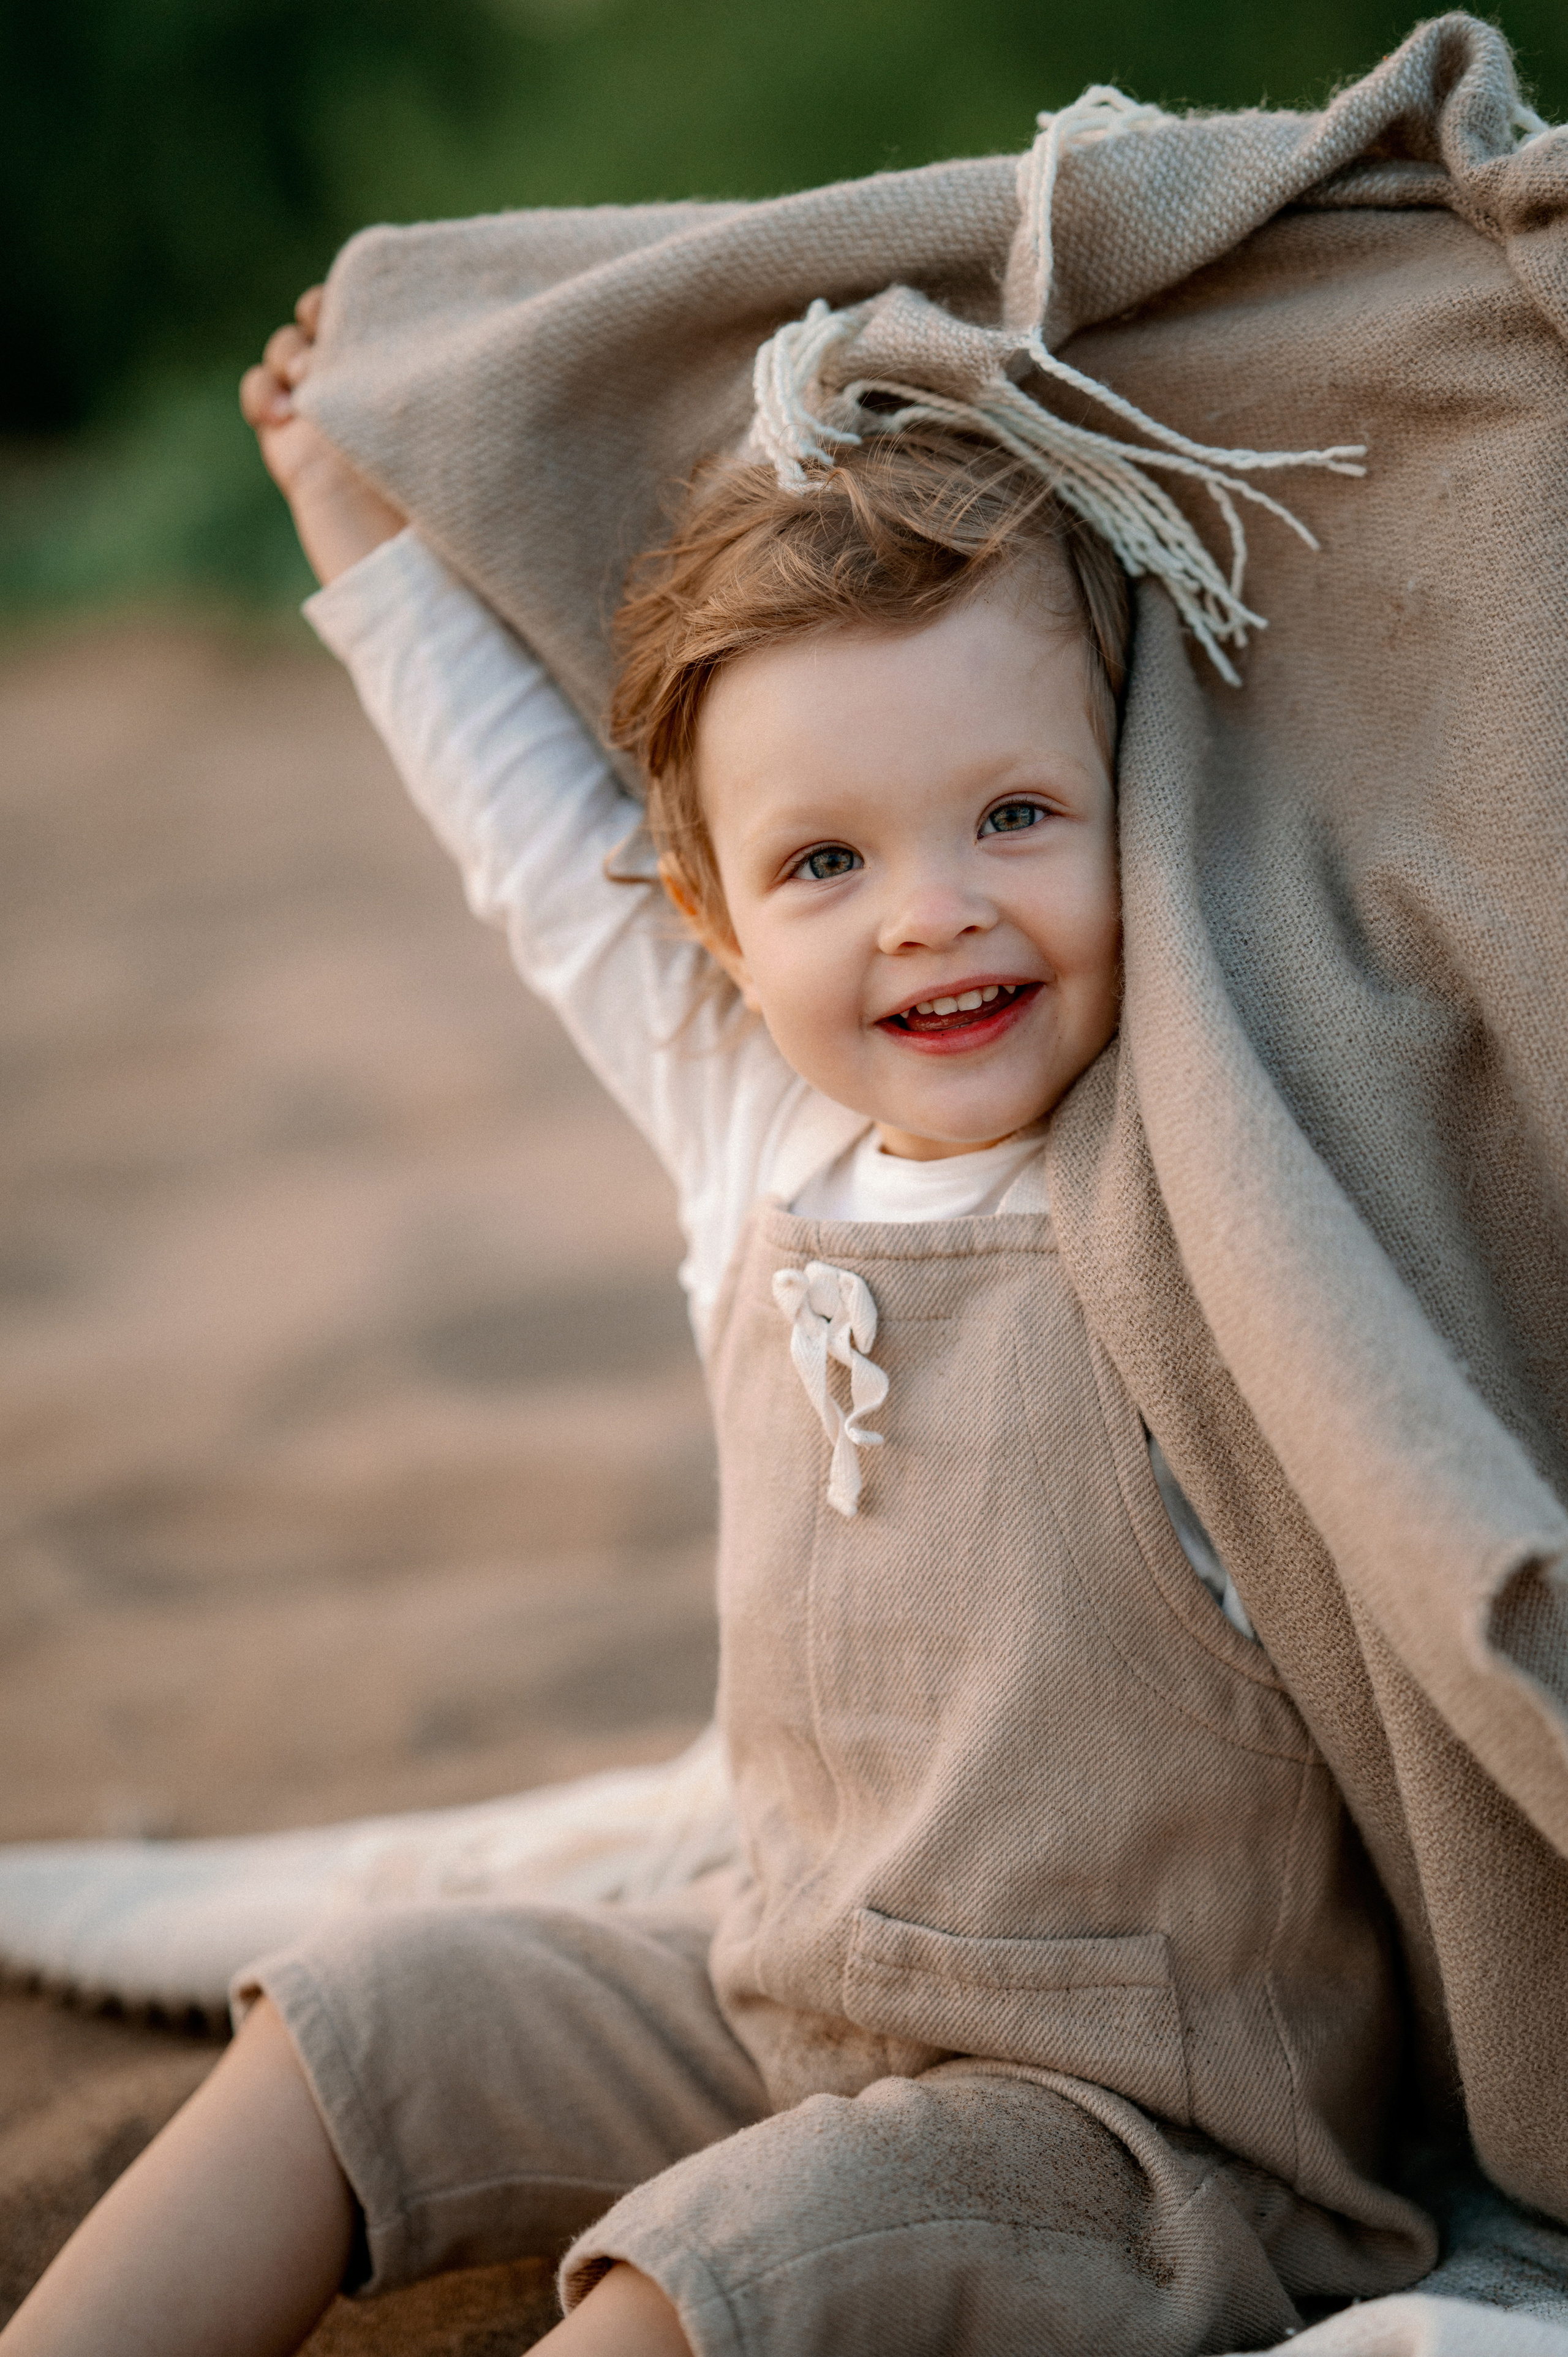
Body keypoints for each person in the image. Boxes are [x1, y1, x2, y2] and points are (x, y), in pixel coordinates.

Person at [0, 289, 1437, 2357]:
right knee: (361, 2019)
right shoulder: (751, 1132)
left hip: (1143, 2137)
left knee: (714, 2272)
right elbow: (533, 847)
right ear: (716, 917)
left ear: (1147, 810)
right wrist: (352, 514)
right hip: (788, 1998)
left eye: (1015, 816)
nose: (929, 907)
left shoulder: (1211, 1166)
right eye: (827, 859)